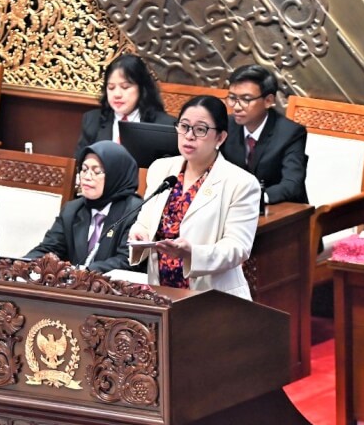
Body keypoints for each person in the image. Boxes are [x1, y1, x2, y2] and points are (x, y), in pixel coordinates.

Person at [128, 95, 261, 300]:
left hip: (213, 297)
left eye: (200, 129)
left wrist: (193, 253)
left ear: (220, 138)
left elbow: (237, 248)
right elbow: (144, 223)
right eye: (184, 126)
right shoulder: (161, 169)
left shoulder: (241, 183)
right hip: (162, 290)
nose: (189, 136)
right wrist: (139, 234)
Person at [27, 141, 142, 272]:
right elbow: (50, 249)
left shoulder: (135, 211)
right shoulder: (72, 210)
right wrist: (22, 264)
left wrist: (82, 272)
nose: (87, 177)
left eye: (97, 171)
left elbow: (127, 260)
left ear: (116, 175)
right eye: (84, 169)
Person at [220, 64, 308, 204]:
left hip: (282, 211)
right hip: (234, 208)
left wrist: (257, 198)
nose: (236, 106)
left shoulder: (290, 133)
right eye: (232, 98)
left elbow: (292, 184)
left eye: (246, 99)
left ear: (268, 101)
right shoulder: (225, 125)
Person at [74, 54, 176, 160]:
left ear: (141, 88)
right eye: (111, 88)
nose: (117, 94)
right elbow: (80, 164)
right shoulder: (92, 120)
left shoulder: (166, 125)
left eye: (125, 87)